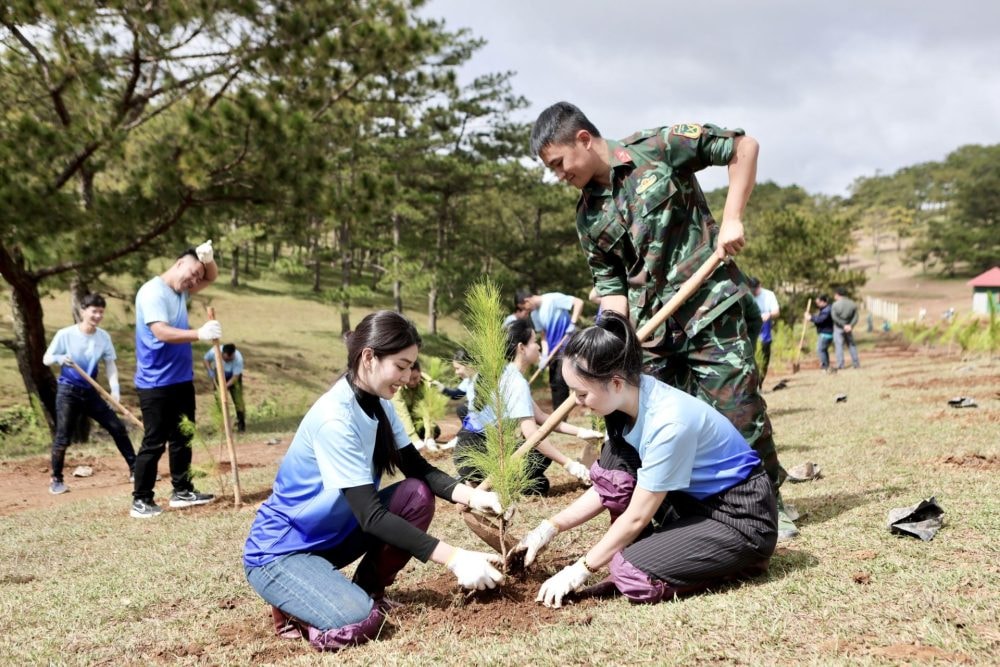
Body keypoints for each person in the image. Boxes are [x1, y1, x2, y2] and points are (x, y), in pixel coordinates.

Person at [530, 102, 796, 539]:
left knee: (738, 412)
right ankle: (674, 511)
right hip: (651, 331)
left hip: (709, 306)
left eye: (559, 163)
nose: (558, 175)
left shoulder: (658, 147)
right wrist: (613, 344)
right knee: (640, 419)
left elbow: (743, 147)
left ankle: (769, 504)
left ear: (582, 138)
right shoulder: (588, 217)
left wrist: (732, 218)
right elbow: (611, 287)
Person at [243, 311, 505, 652]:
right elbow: (371, 516)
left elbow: (418, 468)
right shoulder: (335, 419)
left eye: (412, 366)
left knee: (416, 495)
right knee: (360, 622)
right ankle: (297, 604)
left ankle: (366, 590)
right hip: (282, 551)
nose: (409, 375)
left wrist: (471, 496)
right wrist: (456, 558)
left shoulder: (380, 406)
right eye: (401, 365)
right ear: (369, 357)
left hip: (329, 537)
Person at [516, 313, 777, 607]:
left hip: (739, 517)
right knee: (615, 459)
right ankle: (677, 550)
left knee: (628, 572)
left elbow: (638, 516)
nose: (576, 402)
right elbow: (608, 486)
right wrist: (551, 525)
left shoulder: (667, 422)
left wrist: (580, 569)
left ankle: (739, 562)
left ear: (615, 383)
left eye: (581, 393)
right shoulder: (628, 405)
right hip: (694, 504)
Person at [453, 318, 601, 496]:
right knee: (540, 455)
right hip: (480, 456)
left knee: (539, 485)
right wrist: (569, 464)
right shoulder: (515, 382)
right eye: (534, 341)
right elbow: (532, 434)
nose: (539, 346)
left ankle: (479, 481)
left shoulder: (504, 374)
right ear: (521, 348)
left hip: (465, 454)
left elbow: (542, 418)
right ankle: (481, 483)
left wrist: (581, 432)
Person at [130, 241, 220, 518]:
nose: (195, 281)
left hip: (181, 378)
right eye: (192, 273)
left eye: (197, 277)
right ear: (179, 263)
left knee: (183, 435)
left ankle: (182, 490)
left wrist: (208, 259)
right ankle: (141, 499)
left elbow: (211, 276)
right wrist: (199, 334)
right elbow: (161, 332)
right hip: (156, 381)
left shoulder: (180, 289)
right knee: (154, 441)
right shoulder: (152, 292)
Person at [42, 293, 137, 494]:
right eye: (94, 311)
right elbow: (46, 359)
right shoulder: (65, 334)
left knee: (117, 428)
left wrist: (115, 391)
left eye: (101, 312)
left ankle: (136, 470)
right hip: (68, 391)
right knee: (63, 437)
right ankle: (56, 480)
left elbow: (110, 364)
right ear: (83, 311)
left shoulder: (103, 337)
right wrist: (61, 358)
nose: (97, 316)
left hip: (91, 392)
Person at [514, 290, 584, 408]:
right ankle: (559, 417)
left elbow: (579, 302)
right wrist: (545, 355)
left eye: (524, 308)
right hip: (553, 352)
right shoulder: (534, 315)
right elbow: (543, 336)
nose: (526, 311)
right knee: (555, 384)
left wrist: (573, 322)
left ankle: (569, 411)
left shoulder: (553, 299)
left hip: (567, 345)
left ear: (527, 301)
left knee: (561, 380)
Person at [390, 359, 441, 451]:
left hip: (416, 420)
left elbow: (427, 412)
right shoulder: (397, 387)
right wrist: (414, 439)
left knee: (436, 430)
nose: (412, 382)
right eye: (409, 379)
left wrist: (429, 436)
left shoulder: (427, 386)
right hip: (399, 422)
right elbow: (403, 415)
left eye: (415, 378)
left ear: (420, 373)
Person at [204, 343, 246, 432]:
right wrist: (209, 370)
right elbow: (206, 359)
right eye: (225, 359)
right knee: (219, 401)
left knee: (238, 401)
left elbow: (235, 377)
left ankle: (241, 426)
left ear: (233, 355)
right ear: (222, 353)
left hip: (233, 378)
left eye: (229, 359)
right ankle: (222, 425)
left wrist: (225, 386)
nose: (227, 361)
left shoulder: (238, 358)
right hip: (220, 374)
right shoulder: (215, 351)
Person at [749, 277, 780, 386]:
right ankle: (752, 384)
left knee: (764, 358)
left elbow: (776, 311)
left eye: (755, 289)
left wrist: (769, 314)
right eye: (751, 290)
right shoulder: (747, 296)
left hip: (765, 330)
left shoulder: (769, 295)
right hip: (751, 330)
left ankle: (759, 383)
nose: (753, 292)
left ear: (759, 286)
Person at [831, 288, 861, 369]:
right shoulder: (852, 304)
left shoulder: (835, 305)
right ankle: (856, 363)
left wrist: (842, 325)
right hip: (848, 328)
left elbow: (834, 317)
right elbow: (856, 317)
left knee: (839, 346)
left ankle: (841, 364)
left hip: (839, 328)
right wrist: (850, 325)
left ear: (837, 295)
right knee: (852, 345)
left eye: (835, 295)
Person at [806, 295, 834, 373]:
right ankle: (827, 366)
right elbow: (819, 318)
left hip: (826, 333)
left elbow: (820, 320)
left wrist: (810, 318)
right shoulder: (825, 309)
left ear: (823, 301)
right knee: (823, 350)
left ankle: (825, 367)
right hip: (825, 332)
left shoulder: (827, 310)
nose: (817, 304)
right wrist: (811, 316)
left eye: (818, 303)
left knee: (820, 350)